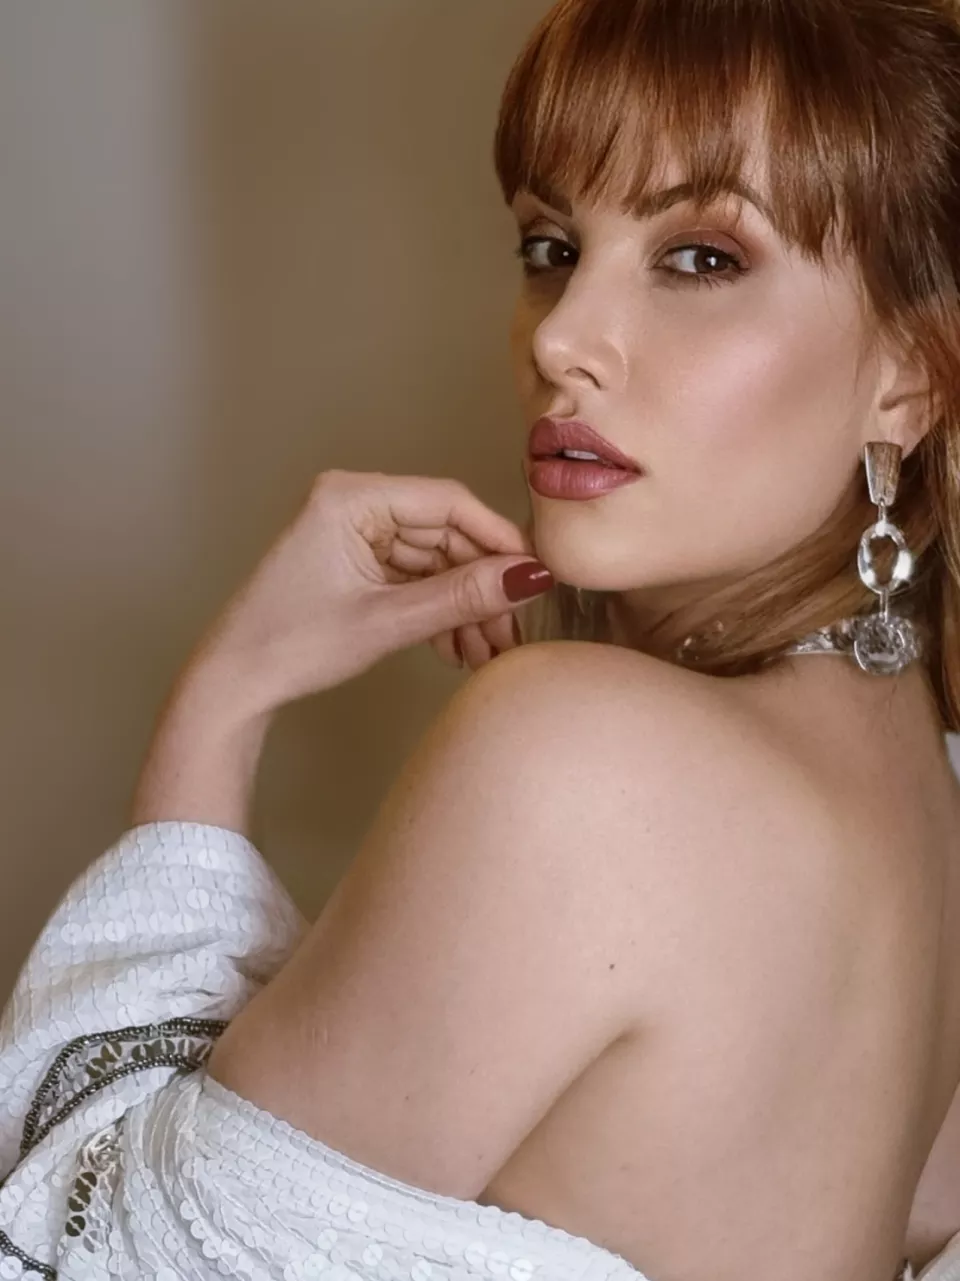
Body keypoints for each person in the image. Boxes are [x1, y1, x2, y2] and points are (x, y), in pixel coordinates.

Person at [2, 0, 960, 1277]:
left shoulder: (578, 762)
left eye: (702, 258)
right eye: (553, 246)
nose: (560, 339)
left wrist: (226, 697)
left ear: (911, 375)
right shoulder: (925, 802)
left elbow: (86, 1256)